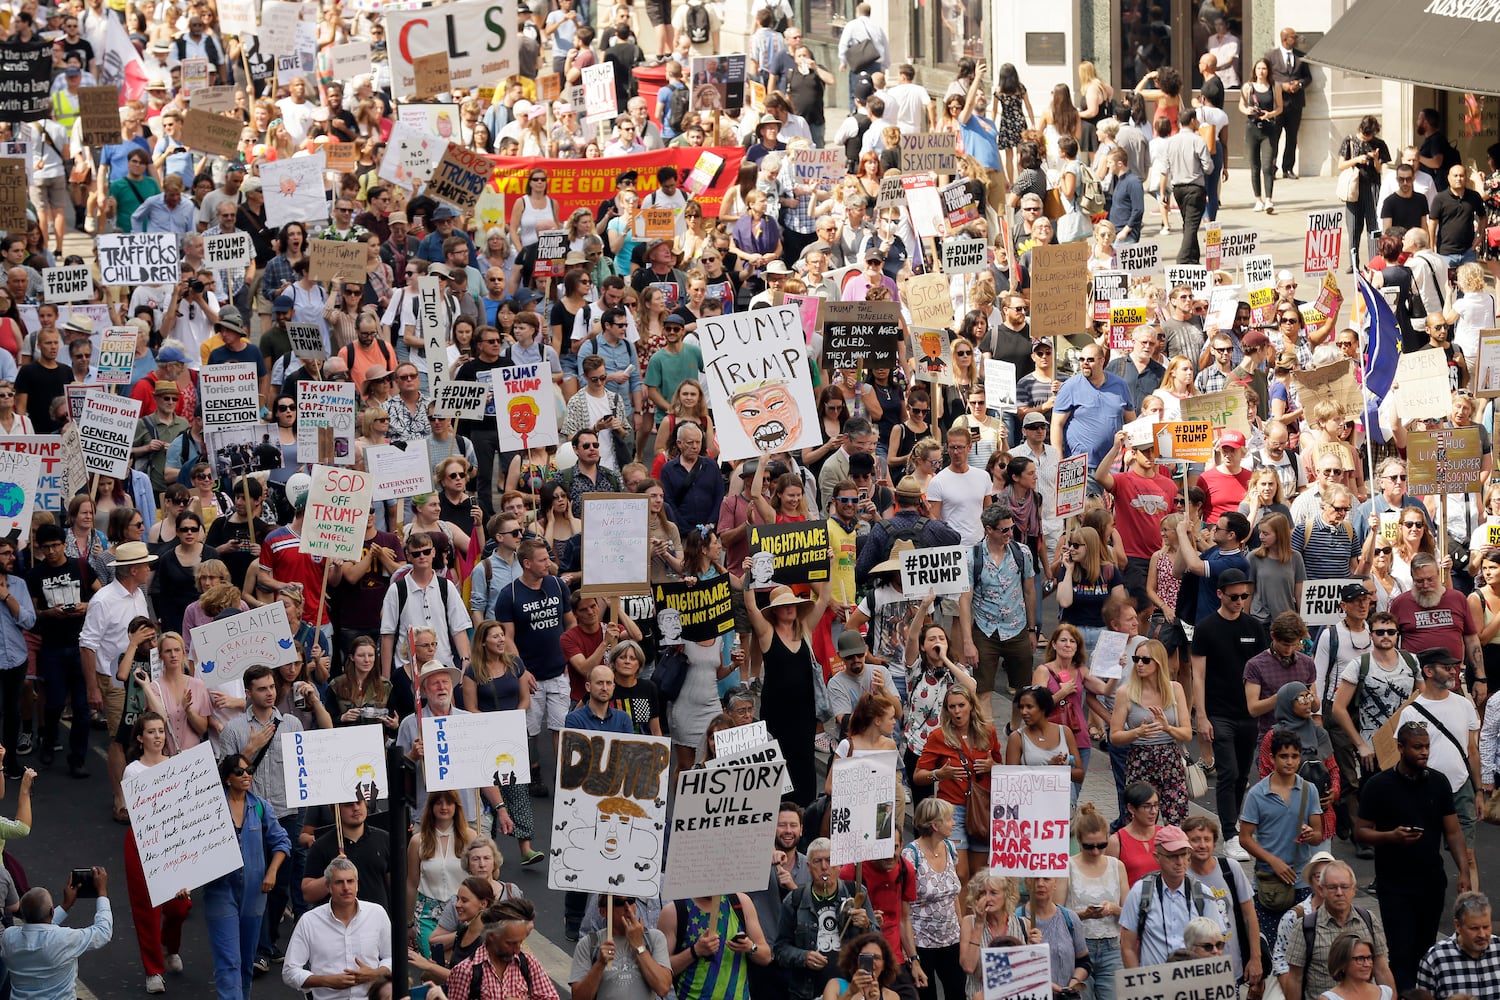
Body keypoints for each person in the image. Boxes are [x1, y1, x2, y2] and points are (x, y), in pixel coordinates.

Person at [1355, 721, 1469, 989]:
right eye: (1418, 747)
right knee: (1401, 953)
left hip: (1431, 883)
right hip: (1394, 885)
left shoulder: (1438, 783)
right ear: (1400, 748)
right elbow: (1361, 832)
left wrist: (1463, 870)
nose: (1424, 752)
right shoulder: (1378, 786)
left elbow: (1453, 832)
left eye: (1427, 746)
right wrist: (1390, 837)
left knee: (1425, 951)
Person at [1190, 568, 1270, 863]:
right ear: (1220, 594)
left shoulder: (1254, 627)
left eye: (1244, 596)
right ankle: (1230, 834)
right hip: (1218, 711)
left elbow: (1264, 669)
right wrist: (1201, 716)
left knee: (1241, 776)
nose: (1239, 601)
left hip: (1248, 713)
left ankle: (1233, 822)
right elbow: (1197, 675)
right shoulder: (1207, 628)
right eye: (1234, 596)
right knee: (1229, 772)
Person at [206, 752, 292, 1000]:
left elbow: (282, 842)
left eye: (250, 770)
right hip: (220, 890)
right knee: (228, 960)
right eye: (239, 772)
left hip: (255, 893)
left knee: (246, 961)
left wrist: (272, 871)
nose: (246, 776)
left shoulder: (260, 806)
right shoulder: (211, 808)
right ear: (227, 779)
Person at [1396, 648, 1482, 893]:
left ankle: (1471, 916)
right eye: (1447, 667)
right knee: (1424, 855)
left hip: (1461, 789)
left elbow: (1472, 751)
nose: (1454, 670)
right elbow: (1402, 755)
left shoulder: (1464, 705)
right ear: (1429, 671)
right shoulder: (1412, 711)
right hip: (1424, 792)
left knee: (1469, 857)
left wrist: (1477, 791)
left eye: (1454, 666)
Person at [958, 503, 1037, 720]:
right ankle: (989, 743)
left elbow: (1030, 592)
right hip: (986, 630)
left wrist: (1032, 630)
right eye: (1005, 530)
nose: (1010, 534)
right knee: (983, 692)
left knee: (1022, 692)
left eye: (1012, 528)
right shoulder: (972, 557)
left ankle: (1014, 735)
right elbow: (965, 600)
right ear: (988, 529)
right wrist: (968, 642)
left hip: (1017, 627)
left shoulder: (1022, 553)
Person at [1283, 860, 1395, 1000]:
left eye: (1344, 887)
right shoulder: (1305, 927)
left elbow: (1381, 969)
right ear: (1322, 890)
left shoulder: (1368, 920)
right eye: (1332, 887)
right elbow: (1295, 978)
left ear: (1354, 890)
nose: (1339, 893)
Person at [281, 857, 392, 999]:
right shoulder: (309, 921)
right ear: (328, 887)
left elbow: (392, 957)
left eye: (350, 881)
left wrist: (375, 973)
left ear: (357, 885)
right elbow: (289, 971)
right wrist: (326, 981)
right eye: (339, 882)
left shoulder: (377, 913)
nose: (346, 887)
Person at [1111, 639, 1192, 825]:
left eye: (1145, 660)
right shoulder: (1126, 692)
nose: (1139, 664)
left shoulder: (1175, 689)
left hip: (1170, 761)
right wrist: (1138, 732)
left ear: (1159, 662)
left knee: (1176, 821)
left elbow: (1187, 733)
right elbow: (1115, 736)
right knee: (1139, 822)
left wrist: (1167, 727)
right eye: (1136, 659)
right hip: (1140, 759)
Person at [0, 868, 112, 1000]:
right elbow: (103, 932)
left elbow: (38, 926)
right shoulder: (63, 939)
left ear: (22, 915)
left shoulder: (8, 938)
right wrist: (102, 893)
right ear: (52, 912)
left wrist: (65, 906)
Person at [1119, 825, 1223, 967]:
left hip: (1194, 982)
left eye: (1184, 854)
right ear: (1157, 857)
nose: (1180, 862)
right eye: (1172, 856)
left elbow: (1216, 946)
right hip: (1154, 985)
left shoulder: (1203, 894)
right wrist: (1139, 987)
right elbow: (1127, 947)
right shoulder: (1140, 891)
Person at [1183, 815, 1262, 987]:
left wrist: (1256, 958)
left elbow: (1249, 915)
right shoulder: (1183, 878)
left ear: (1214, 842)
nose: (1202, 845)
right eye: (1195, 840)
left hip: (1232, 965)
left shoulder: (1230, 868)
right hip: (1196, 972)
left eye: (1207, 839)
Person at [904, 798, 965, 1000]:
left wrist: (961, 928)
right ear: (935, 825)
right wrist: (912, 957)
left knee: (957, 993)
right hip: (922, 942)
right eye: (949, 819)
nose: (953, 823)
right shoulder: (911, 855)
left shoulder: (949, 847)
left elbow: (953, 895)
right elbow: (904, 908)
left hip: (952, 939)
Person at [1067, 803, 1128, 1000]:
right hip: (1078, 948)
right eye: (1089, 846)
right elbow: (1057, 914)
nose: (1095, 851)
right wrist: (1084, 914)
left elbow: (1129, 912)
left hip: (1111, 947)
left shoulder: (1116, 866)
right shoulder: (1068, 866)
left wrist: (1113, 908)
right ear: (1079, 841)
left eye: (1101, 845)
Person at [1052, 345, 1136, 485]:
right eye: (1082, 359)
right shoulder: (1070, 386)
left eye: (1090, 359)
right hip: (1079, 464)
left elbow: (1131, 422)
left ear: (1102, 361)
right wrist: (1058, 459)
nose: (1085, 363)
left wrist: (1130, 451)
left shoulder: (1120, 385)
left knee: (1109, 507)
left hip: (1113, 465)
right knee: (1087, 507)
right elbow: (1057, 424)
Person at [446, 899, 561, 1000]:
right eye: (510, 943)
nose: (517, 949)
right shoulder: (466, 972)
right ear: (492, 936)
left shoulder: (528, 963)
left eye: (520, 942)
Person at [570, 895, 673, 1000]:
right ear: (603, 912)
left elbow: (663, 988)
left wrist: (639, 947)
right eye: (619, 902)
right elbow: (578, 997)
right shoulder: (589, 944)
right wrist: (599, 964)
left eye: (631, 900)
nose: (627, 908)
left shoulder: (654, 938)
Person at [1416, 892, 1500, 999]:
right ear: (1458, 926)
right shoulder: (1435, 959)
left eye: (1486, 927)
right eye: (1474, 928)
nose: (1482, 935)